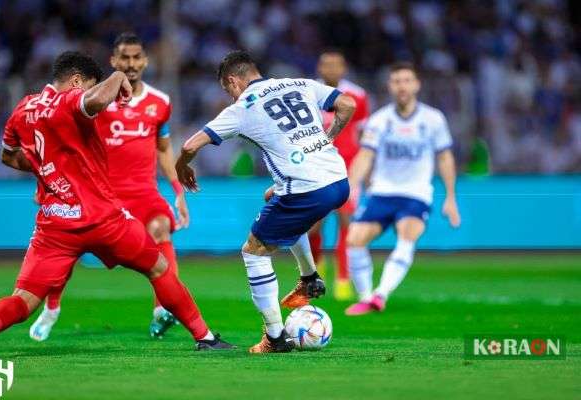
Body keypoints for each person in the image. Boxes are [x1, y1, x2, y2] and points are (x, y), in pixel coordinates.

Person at [0, 51, 233, 351]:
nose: (88, 90)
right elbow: (96, 101)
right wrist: (118, 76)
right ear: (76, 81)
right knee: (159, 268)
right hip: (103, 219)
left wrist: (44, 168)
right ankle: (204, 337)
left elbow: (7, 156)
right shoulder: (69, 100)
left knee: (24, 298)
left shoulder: (23, 109)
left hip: (55, 226)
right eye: (88, 84)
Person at [175, 50, 356, 353]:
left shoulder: (243, 106)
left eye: (227, 90)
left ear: (233, 81)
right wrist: (328, 138)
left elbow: (190, 144)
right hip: (338, 180)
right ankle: (310, 278)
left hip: (307, 187)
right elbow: (346, 105)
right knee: (278, 201)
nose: (229, 96)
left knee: (253, 251)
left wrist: (182, 167)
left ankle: (274, 338)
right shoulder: (300, 83)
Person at [29, 33, 188, 341]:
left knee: (160, 229)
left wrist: (178, 190)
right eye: (124, 58)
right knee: (65, 252)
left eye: (136, 57)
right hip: (98, 194)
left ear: (145, 60)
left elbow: (164, 149)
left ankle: (162, 310)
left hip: (144, 193)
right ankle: (52, 307)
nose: (131, 64)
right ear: (113, 62)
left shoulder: (160, 103)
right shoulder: (95, 99)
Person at [345, 62, 461, 316]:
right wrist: (352, 186)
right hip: (383, 192)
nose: (402, 86)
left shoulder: (433, 119)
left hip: (416, 193)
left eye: (407, 80)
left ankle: (381, 294)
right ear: (390, 86)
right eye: (397, 81)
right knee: (354, 240)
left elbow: (445, 158)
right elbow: (365, 156)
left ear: (417, 85)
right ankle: (366, 298)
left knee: (407, 234)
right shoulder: (379, 120)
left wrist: (450, 198)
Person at [308, 50, 370, 300]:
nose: (331, 69)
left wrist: (366, 170)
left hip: (348, 169)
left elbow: (365, 135)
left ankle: (343, 281)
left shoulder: (357, 96)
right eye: (326, 64)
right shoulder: (309, 93)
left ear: (344, 68)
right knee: (313, 225)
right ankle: (316, 273)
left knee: (346, 222)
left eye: (336, 64)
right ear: (319, 68)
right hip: (317, 169)